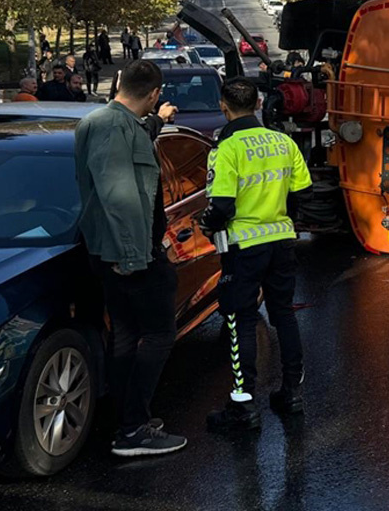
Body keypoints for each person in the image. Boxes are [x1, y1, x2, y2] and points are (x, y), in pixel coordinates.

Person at [74, 60, 186, 457]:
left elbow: (135, 142)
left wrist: (158, 120)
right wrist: (133, 256)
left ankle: (126, 421)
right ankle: (134, 429)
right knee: (158, 335)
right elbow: (118, 197)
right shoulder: (112, 128)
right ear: (154, 93)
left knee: (125, 336)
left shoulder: (113, 123)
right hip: (129, 254)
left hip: (120, 252)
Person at [201, 77, 311, 431]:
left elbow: (220, 207)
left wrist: (208, 224)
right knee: (284, 315)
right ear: (259, 104)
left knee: (240, 320)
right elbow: (302, 192)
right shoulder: (284, 142)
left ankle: (243, 406)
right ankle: (291, 393)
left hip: (243, 247)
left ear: (223, 106)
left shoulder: (226, 149)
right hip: (281, 240)